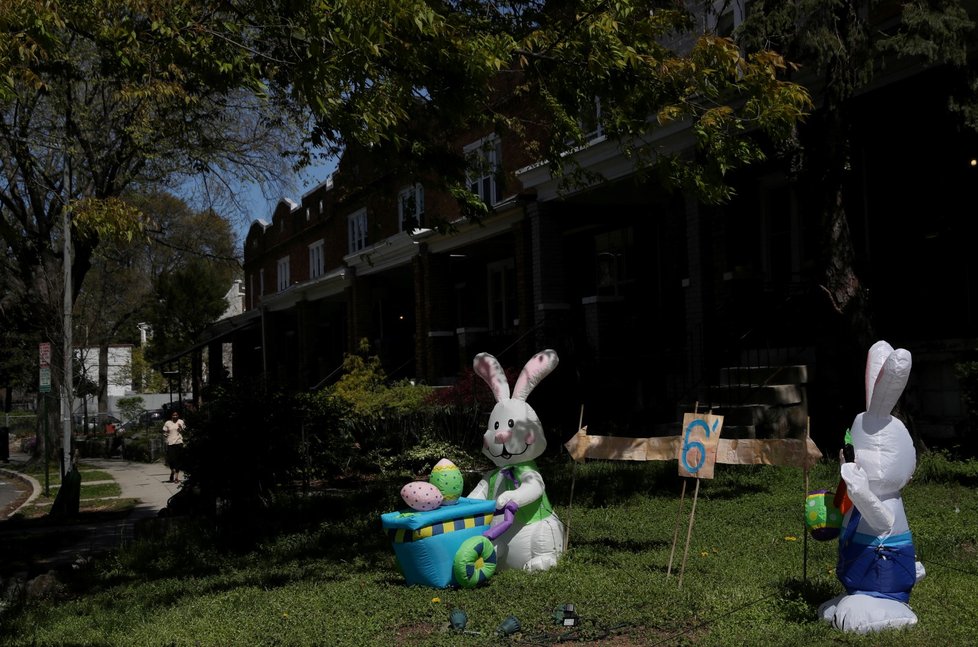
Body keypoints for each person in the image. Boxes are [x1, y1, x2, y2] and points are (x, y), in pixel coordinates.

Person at [162, 410, 186, 483]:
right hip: (170, 443)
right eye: (173, 415)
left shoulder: (181, 422)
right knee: (171, 460)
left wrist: (180, 428)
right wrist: (167, 432)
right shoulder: (168, 423)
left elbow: (184, 431)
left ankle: (176, 477)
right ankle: (172, 471)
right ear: (171, 416)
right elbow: (164, 433)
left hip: (178, 442)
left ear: (178, 415)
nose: (175, 416)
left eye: (176, 415)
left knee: (178, 460)